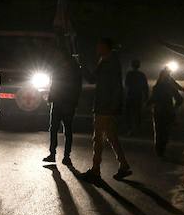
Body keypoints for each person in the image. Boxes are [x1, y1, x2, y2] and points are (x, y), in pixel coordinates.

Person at [87, 37, 131, 180]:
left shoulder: (110, 62)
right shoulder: (105, 61)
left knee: (98, 138)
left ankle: (95, 170)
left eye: (99, 46)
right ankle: (123, 165)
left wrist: (114, 105)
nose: (97, 49)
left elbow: (116, 85)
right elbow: (93, 79)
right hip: (104, 104)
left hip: (105, 106)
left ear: (106, 47)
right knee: (111, 136)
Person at [44, 49, 80, 165]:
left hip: (64, 102)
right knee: (61, 129)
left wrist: (51, 97)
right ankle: (61, 155)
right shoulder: (71, 67)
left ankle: (59, 155)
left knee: (61, 129)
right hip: (63, 102)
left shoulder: (68, 68)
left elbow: (56, 84)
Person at [149, 67, 184, 158]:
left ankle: (159, 150)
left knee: (158, 131)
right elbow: (179, 99)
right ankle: (162, 149)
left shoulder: (157, 87)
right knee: (165, 131)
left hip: (158, 111)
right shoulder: (170, 87)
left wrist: (147, 104)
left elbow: (152, 99)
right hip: (168, 111)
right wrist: (174, 108)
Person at [124, 59, 149, 134]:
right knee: (137, 112)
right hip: (138, 95)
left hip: (130, 95)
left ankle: (129, 128)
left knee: (128, 113)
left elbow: (126, 84)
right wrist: (146, 96)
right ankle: (137, 127)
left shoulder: (129, 74)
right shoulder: (142, 75)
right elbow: (145, 86)